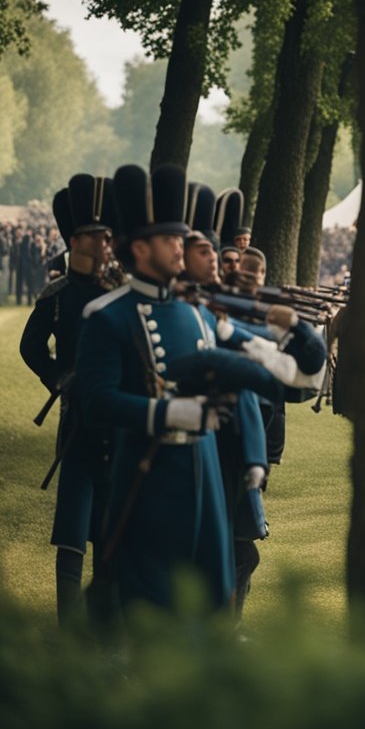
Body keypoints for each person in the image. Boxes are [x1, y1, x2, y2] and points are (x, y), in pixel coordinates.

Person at [76, 165, 248, 612]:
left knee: (212, 597)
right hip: (148, 476)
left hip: (205, 468)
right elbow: (96, 400)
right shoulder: (106, 315)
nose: (181, 247)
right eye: (171, 240)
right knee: (152, 605)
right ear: (140, 248)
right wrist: (167, 414)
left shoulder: (197, 311)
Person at [18, 174, 117, 627]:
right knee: (73, 525)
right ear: (76, 240)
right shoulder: (57, 296)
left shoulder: (119, 292)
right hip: (77, 420)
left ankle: (105, 622)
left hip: (116, 420)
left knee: (112, 525)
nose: (106, 244)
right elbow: (32, 347)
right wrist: (58, 378)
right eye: (99, 236)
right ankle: (67, 625)